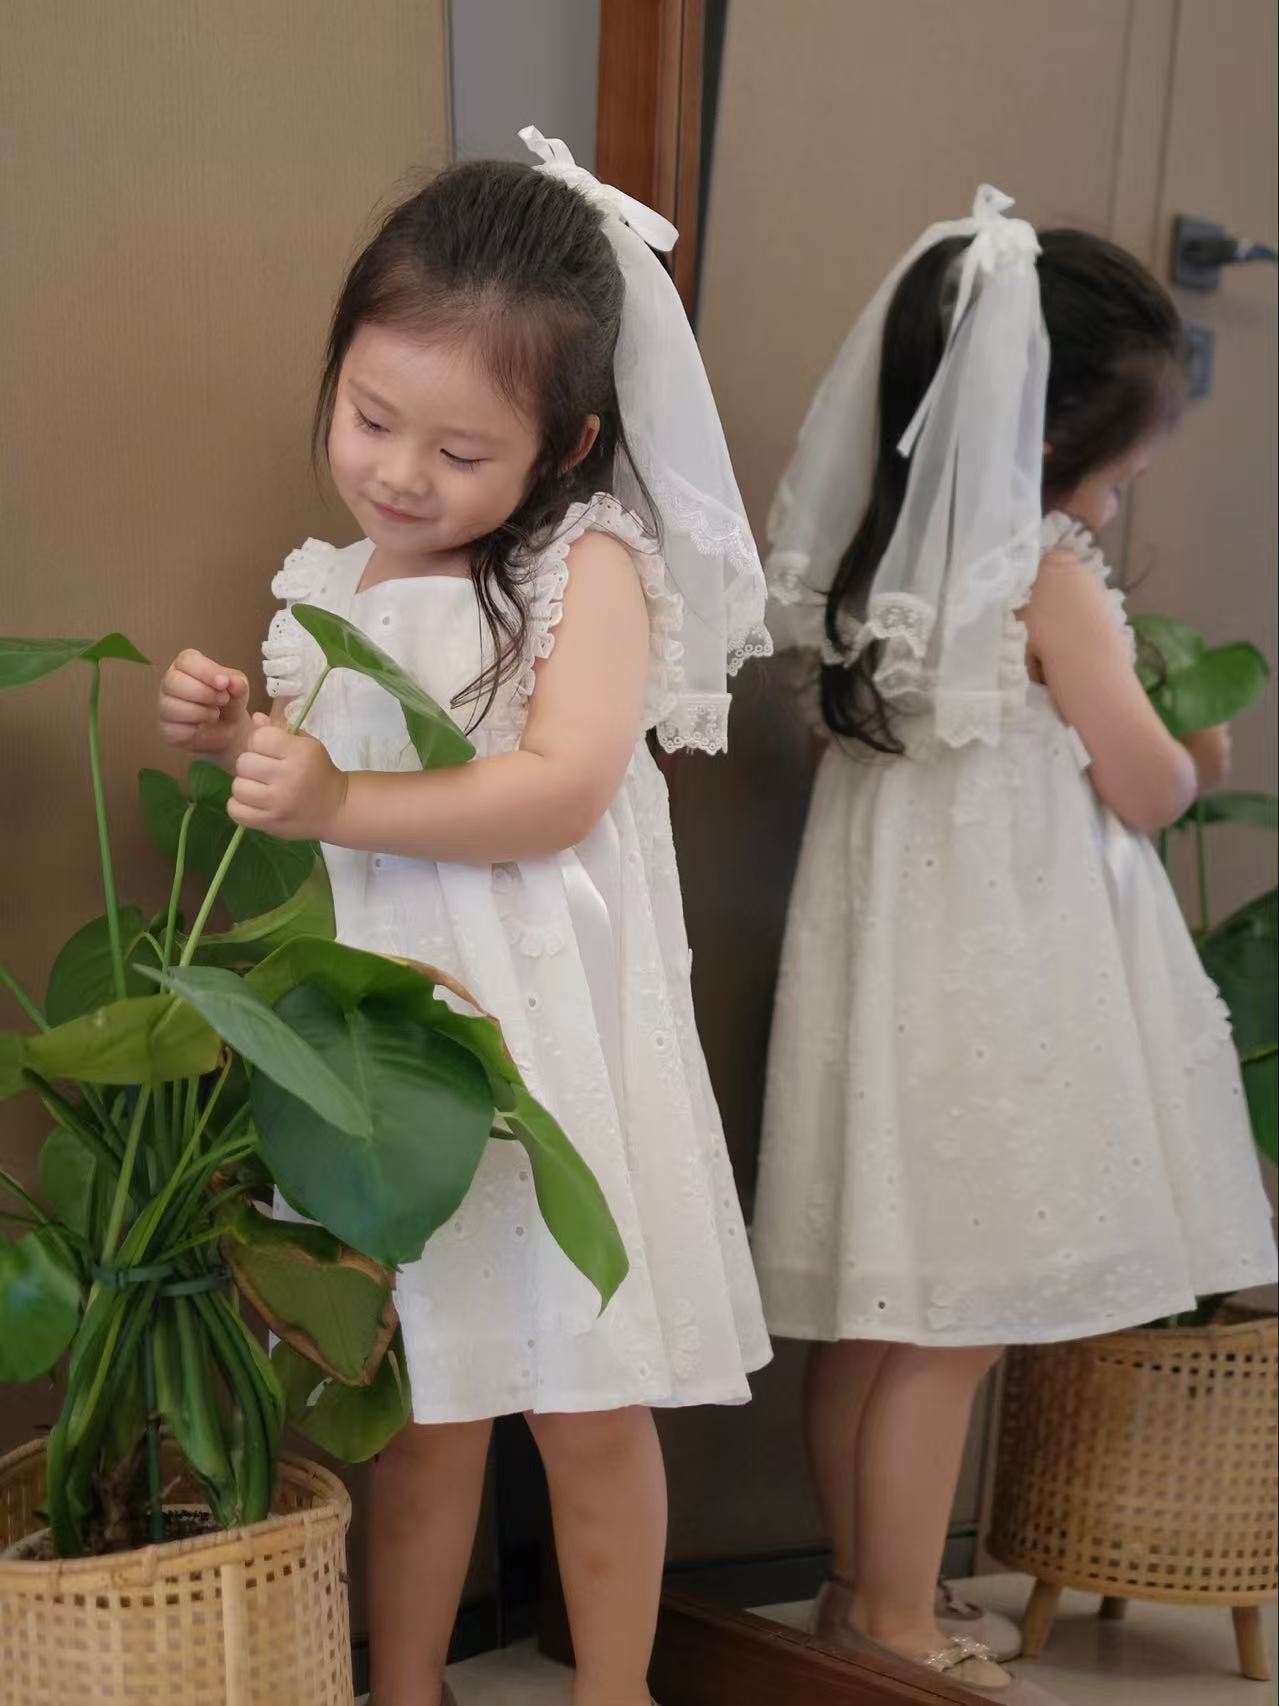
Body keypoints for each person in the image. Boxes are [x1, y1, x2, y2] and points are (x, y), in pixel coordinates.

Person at [157, 128, 773, 1706]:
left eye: (458, 451)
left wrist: (336, 801)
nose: (398, 474)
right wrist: (236, 731)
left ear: (564, 448)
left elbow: (558, 788)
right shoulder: (330, 582)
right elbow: (314, 782)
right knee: (415, 1396)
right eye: (371, 419)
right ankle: (403, 1681)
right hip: (386, 1054)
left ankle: (612, 1687)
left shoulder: (590, 567)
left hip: (549, 1044)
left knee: (584, 1401)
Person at [752, 187, 1277, 1702]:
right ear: (1049, 452)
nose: (1114, 508)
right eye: (1116, 477)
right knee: (957, 1319)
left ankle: (858, 1582)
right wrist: (1198, 748)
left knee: (879, 1307)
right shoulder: (1040, 572)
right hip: (999, 985)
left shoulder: (879, 576)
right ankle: (903, 1618)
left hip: (888, 981)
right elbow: (1139, 775)